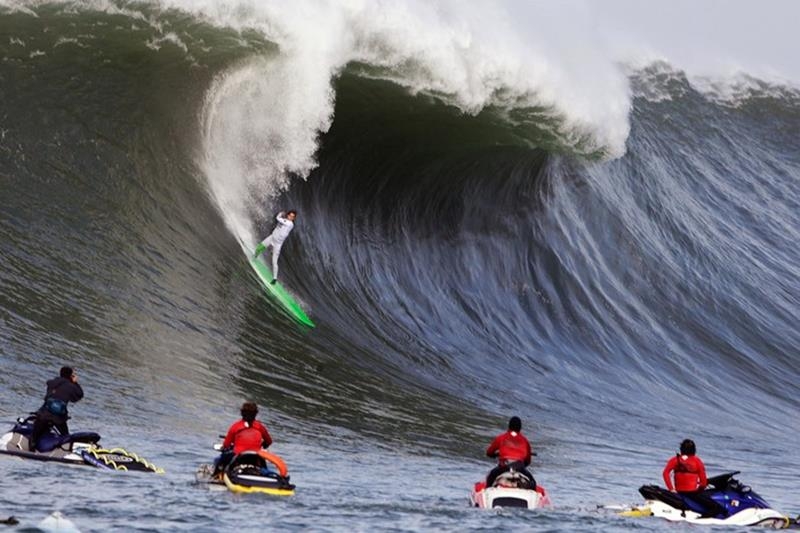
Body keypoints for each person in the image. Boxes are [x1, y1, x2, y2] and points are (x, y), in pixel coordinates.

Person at [663, 439, 726, 518]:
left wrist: (671, 489)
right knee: (717, 508)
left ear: (681, 449)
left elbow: (665, 473)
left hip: (678, 492)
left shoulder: (675, 459)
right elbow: (703, 483)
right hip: (692, 494)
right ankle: (701, 519)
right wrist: (699, 491)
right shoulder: (697, 461)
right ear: (694, 450)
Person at [29, 366, 84, 451]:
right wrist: (75, 383)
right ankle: (67, 450)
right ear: (70, 376)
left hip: (44, 414)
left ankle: (31, 450)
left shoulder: (52, 383)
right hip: (59, 418)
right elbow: (78, 396)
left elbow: (48, 393)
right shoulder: (71, 386)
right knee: (66, 436)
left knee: (34, 436)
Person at [214, 402, 273, 476]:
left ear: (242, 413)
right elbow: (269, 441)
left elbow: (226, 445)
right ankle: (269, 476)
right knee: (264, 467)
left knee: (219, 459)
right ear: (255, 414)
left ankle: (215, 476)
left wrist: (224, 448)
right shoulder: (260, 427)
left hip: (239, 457)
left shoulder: (235, 426)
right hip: (255, 458)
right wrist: (263, 445)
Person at [485, 416, 535, 488]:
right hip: (519, 467)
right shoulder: (525, 440)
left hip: (504, 467)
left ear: (509, 426)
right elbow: (528, 461)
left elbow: (489, 452)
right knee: (533, 482)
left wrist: (494, 455)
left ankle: (487, 491)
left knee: (491, 477)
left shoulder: (501, 437)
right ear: (520, 428)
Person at [254, 210, 297, 284]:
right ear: (288, 215)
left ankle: (274, 279)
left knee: (274, 261)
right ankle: (255, 257)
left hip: (278, 244)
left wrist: (280, 214)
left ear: (293, 218)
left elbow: (278, 218)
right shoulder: (285, 220)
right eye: (290, 215)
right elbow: (280, 221)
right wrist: (281, 215)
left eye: (292, 217)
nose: (290, 217)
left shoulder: (290, 224)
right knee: (259, 248)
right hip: (272, 238)